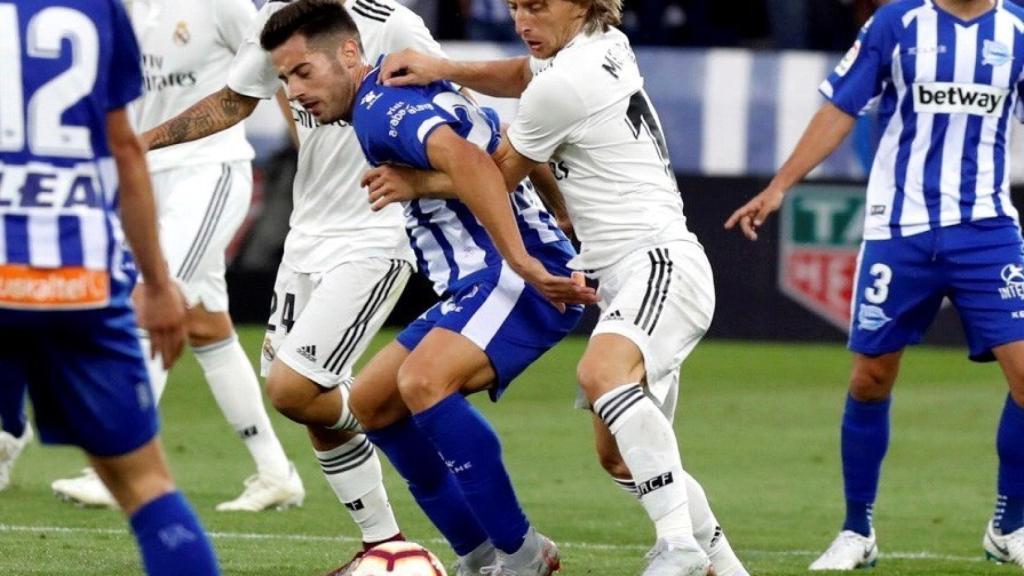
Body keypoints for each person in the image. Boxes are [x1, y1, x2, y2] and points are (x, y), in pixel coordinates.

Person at [369, 1, 751, 575]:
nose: (523, 21)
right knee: (623, 459)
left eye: (538, 6)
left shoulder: (567, 82)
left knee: (600, 375)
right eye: (515, 6)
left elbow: (492, 176)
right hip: (627, 274)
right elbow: (524, 74)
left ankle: (680, 549)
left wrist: (414, 180)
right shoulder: (599, 47)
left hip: (658, 261)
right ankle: (726, 569)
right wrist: (444, 67)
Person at [136, 0, 494, 571]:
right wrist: (142, 142)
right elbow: (236, 100)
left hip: (376, 231)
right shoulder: (277, 17)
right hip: (308, 234)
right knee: (307, 402)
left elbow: (462, 113)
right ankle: (384, 544)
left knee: (295, 388)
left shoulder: (390, 21)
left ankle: (417, 480)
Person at [259, 1, 597, 574]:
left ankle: (520, 554)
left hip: (512, 277)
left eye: (303, 73)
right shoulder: (404, 83)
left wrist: (527, 260)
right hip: (484, 279)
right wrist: (561, 214)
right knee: (370, 402)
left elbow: (470, 161)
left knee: (423, 382)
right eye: (285, 79)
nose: (294, 93)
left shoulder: (379, 106)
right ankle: (478, 554)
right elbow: (505, 138)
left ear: (348, 53)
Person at [724, 0, 1024, 569]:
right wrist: (781, 184)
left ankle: (1009, 526)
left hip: (987, 231)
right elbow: (841, 105)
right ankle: (856, 530)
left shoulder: (1018, 28)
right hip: (900, 229)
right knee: (870, 377)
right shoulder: (897, 22)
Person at [49, 0, 305, 513]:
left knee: (148, 304)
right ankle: (276, 472)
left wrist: (308, 150)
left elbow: (274, 68)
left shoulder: (225, 5)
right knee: (209, 326)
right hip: (145, 179)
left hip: (206, 172)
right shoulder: (123, 9)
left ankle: (118, 466)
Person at [0, 0, 219, 573]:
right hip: (81, 283)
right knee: (147, 487)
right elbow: (125, 148)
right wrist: (158, 282)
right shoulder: (99, 10)